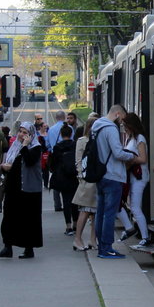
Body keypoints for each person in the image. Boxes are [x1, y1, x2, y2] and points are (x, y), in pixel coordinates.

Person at [0, 122, 45, 259]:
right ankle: (7, 247)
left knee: (28, 220)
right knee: (9, 218)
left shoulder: (35, 147)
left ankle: (29, 249)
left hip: (29, 189)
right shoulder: (15, 145)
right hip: (13, 188)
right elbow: (11, 163)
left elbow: (29, 161)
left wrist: (24, 146)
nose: (22, 135)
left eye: (25, 132)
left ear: (31, 135)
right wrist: (4, 167)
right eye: (20, 131)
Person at [93, 105, 135, 259]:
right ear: (117, 114)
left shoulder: (96, 127)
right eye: (122, 119)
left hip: (100, 175)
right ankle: (107, 248)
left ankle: (101, 247)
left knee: (101, 213)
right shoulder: (110, 128)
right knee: (109, 214)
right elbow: (117, 152)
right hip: (112, 175)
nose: (122, 123)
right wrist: (131, 156)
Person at [118, 112, 151, 247]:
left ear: (132, 125)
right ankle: (139, 232)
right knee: (132, 206)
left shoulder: (139, 138)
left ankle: (145, 236)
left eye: (126, 126)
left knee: (135, 207)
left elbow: (143, 159)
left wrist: (130, 159)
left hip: (139, 177)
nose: (124, 128)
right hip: (132, 177)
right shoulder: (130, 138)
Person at [71, 115, 98, 251]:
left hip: (95, 180)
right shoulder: (82, 141)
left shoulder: (97, 140)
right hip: (87, 181)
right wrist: (82, 176)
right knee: (85, 211)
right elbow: (78, 161)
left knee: (95, 212)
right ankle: (78, 239)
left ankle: (93, 239)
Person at [47, 124, 79, 236]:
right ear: (71, 134)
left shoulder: (57, 147)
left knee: (66, 201)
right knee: (75, 202)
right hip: (74, 176)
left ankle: (68, 226)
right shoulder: (75, 145)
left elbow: (54, 163)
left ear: (61, 134)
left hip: (63, 177)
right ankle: (76, 224)